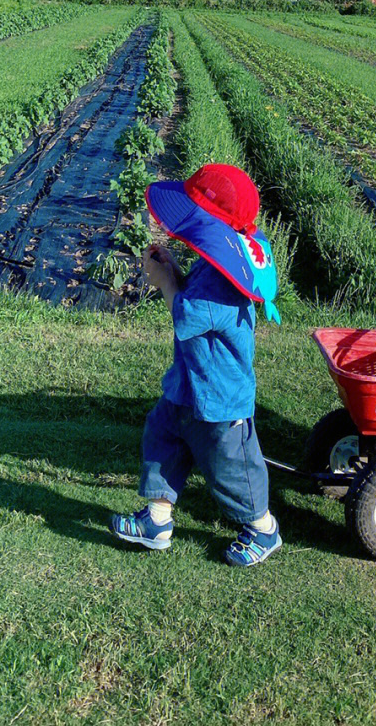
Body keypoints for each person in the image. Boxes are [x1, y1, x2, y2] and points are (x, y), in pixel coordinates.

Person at [110, 163, 282, 567]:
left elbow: (188, 314)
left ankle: (263, 528)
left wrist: (164, 283)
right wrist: (175, 270)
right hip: (188, 385)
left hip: (221, 400)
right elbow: (195, 295)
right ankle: (156, 520)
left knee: (231, 469)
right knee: (162, 439)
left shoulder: (224, 282)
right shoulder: (217, 264)